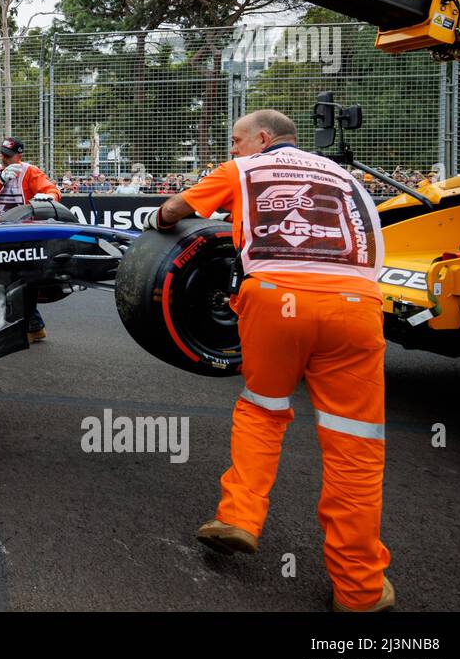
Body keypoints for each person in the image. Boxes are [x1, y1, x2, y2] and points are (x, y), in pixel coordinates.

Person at [145, 109, 392, 612]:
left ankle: (238, 517)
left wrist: (155, 219)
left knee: (263, 408)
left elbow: (175, 210)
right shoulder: (347, 177)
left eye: (235, 140)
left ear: (262, 138)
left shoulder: (244, 169)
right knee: (356, 450)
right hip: (358, 307)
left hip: (275, 300)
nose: (232, 149)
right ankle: (361, 590)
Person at [0, 137, 62, 342]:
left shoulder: (30, 171)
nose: (3, 158)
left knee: (21, 280)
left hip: (23, 234)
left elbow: (52, 191)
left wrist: (49, 198)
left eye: (8, 155)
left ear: (19, 155)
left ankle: (30, 326)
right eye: (2, 154)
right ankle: (32, 326)